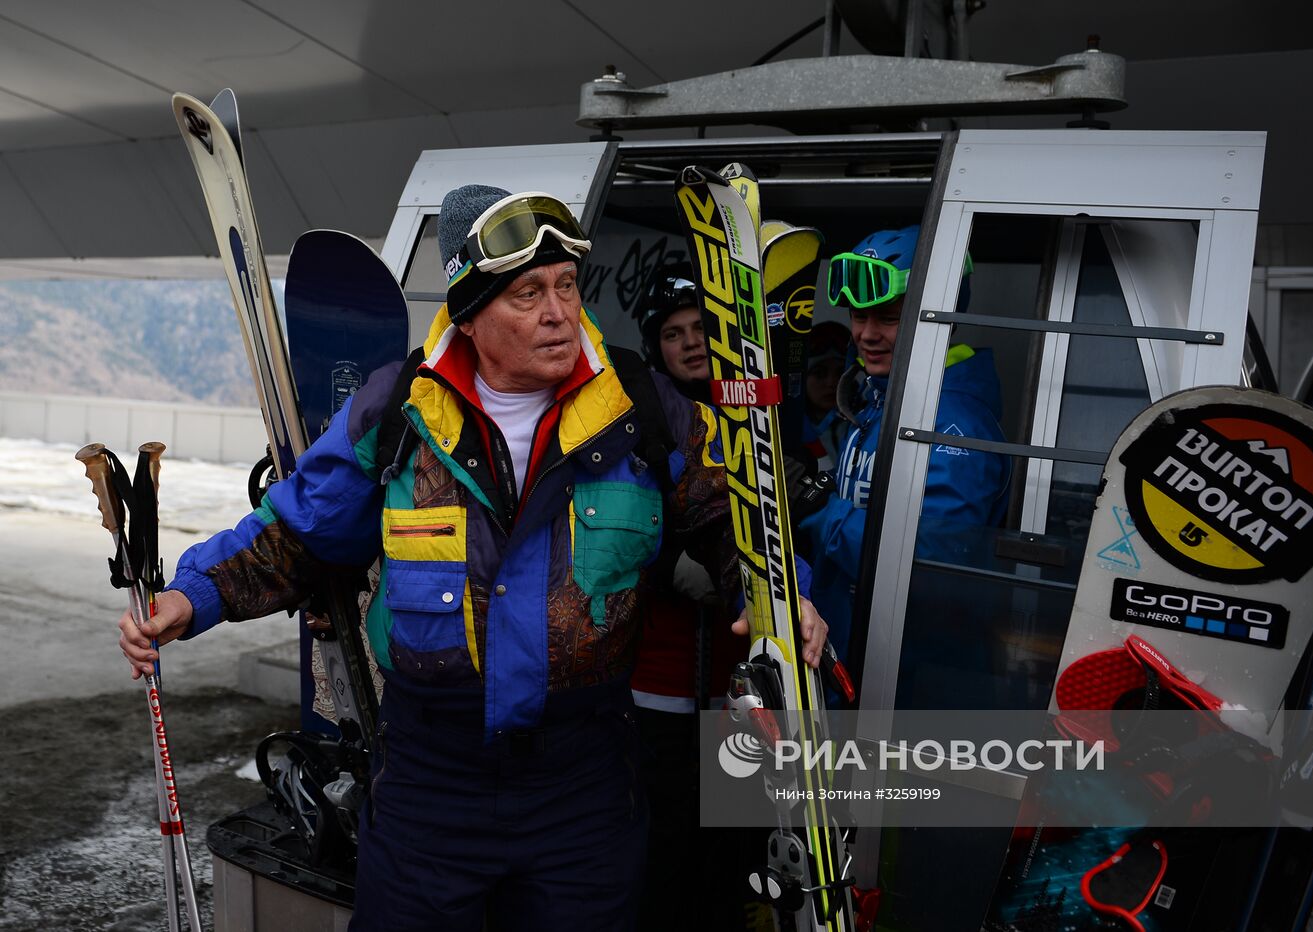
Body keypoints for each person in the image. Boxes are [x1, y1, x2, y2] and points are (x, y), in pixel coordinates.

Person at [117, 185, 828, 931]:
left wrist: (781, 601)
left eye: (566, 285)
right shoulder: (399, 412)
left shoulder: (640, 408)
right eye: (527, 294)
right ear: (470, 312)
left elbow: (735, 521)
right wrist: (191, 597)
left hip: (584, 782)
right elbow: (296, 532)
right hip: (432, 779)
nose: (558, 312)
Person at [797, 225, 1009, 664]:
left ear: (939, 316)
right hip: (853, 649)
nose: (866, 334)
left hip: (913, 668)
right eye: (858, 315)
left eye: (888, 318)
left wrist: (818, 509)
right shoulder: (878, 397)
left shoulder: (955, 426)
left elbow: (928, 563)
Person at [631, 264, 753, 930]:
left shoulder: (748, 410)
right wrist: (669, 565)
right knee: (666, 833)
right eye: (673, 333)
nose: (690, 343)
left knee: (728, 836)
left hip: (732, 676)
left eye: (699, 327)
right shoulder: (641, 418)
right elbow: (610, 529)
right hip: (662, 679)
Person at [801, 320, 852, 472]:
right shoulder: (786, 429)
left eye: (840, 373)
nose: (831, 383)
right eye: (819, 373)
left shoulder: (867, 423)